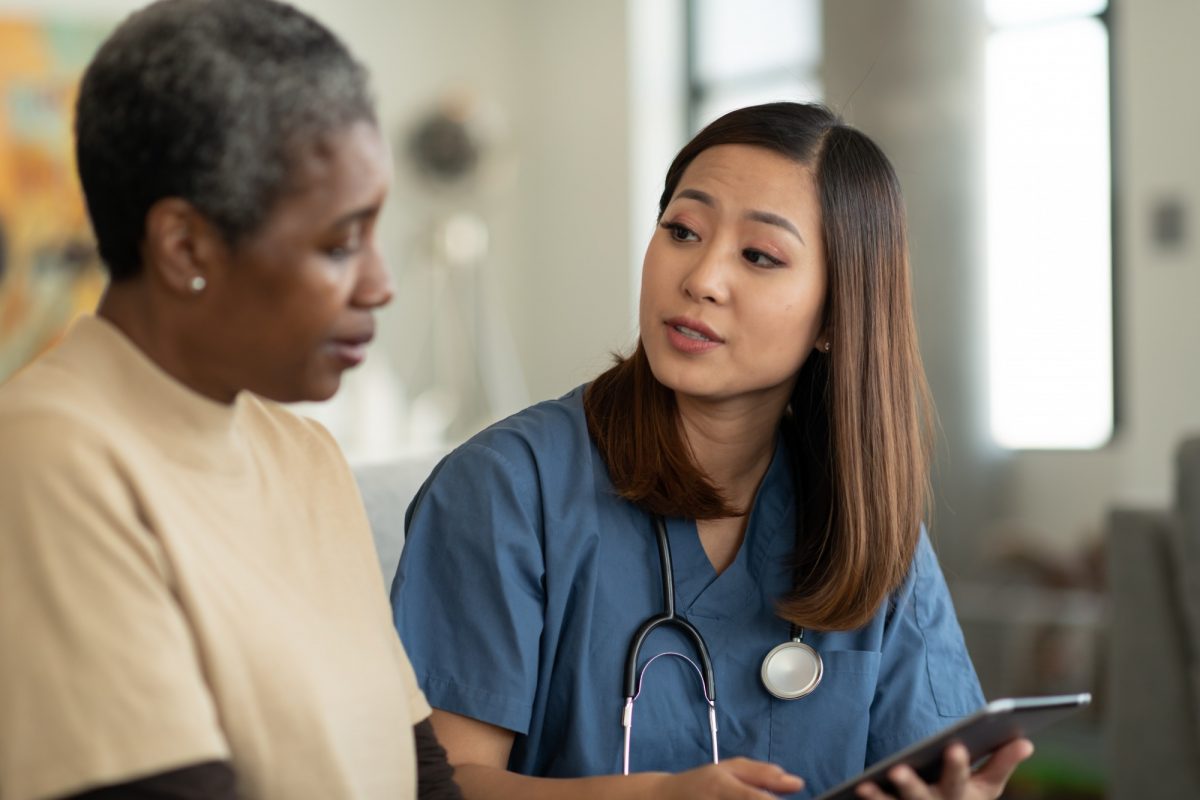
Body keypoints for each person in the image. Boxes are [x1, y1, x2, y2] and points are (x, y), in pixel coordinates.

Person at [390, 102, 1033, 799]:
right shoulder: (506, 490)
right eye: (682, 231)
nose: (700, 277)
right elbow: (435, 786)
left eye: (758, 255)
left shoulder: (868, 522)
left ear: (836, 315)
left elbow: (929, 762)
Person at [0, 2, 460, 798]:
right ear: (186, 248)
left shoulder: (306, 457)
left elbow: (421, 778)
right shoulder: (49, 456)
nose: (381, 285)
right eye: (340, 243)